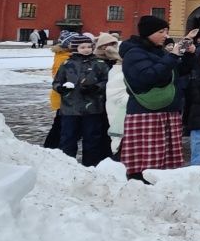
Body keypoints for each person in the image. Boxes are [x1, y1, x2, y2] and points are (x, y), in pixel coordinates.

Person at [119, 16, 186, 177]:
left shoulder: (157, 51)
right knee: (147, 161)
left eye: (167, 31)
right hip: (146, 112)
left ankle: (159, 188)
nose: (166, 35)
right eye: (161, 31)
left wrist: (187, 57)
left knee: (165, 161)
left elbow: (175, 75)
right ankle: (141, 187)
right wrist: (172, 58)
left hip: (165, 110)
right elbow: (147, 77)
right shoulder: (134, 53)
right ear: (148, 33)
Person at [53, 33, 111, 165]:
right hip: (70, 109)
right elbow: (56, 82)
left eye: (89, 46)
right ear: (75, 49)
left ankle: (91, 165)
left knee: (92, 139)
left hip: (92, 109)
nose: (86, 49)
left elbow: (107, 81)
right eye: (82, 47)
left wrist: (96, 88)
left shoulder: (99, 64)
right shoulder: (67, 64)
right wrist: (61, 88)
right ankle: (67, 164)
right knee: (68, 139)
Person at [96, 32, 127, 157]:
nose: (109, 47)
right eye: (106, 45)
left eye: (112, 44)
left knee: (112, 129)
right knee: (101, 132)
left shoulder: (117, 61)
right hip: (97, 102)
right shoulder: (98, 62)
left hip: (112, 103)